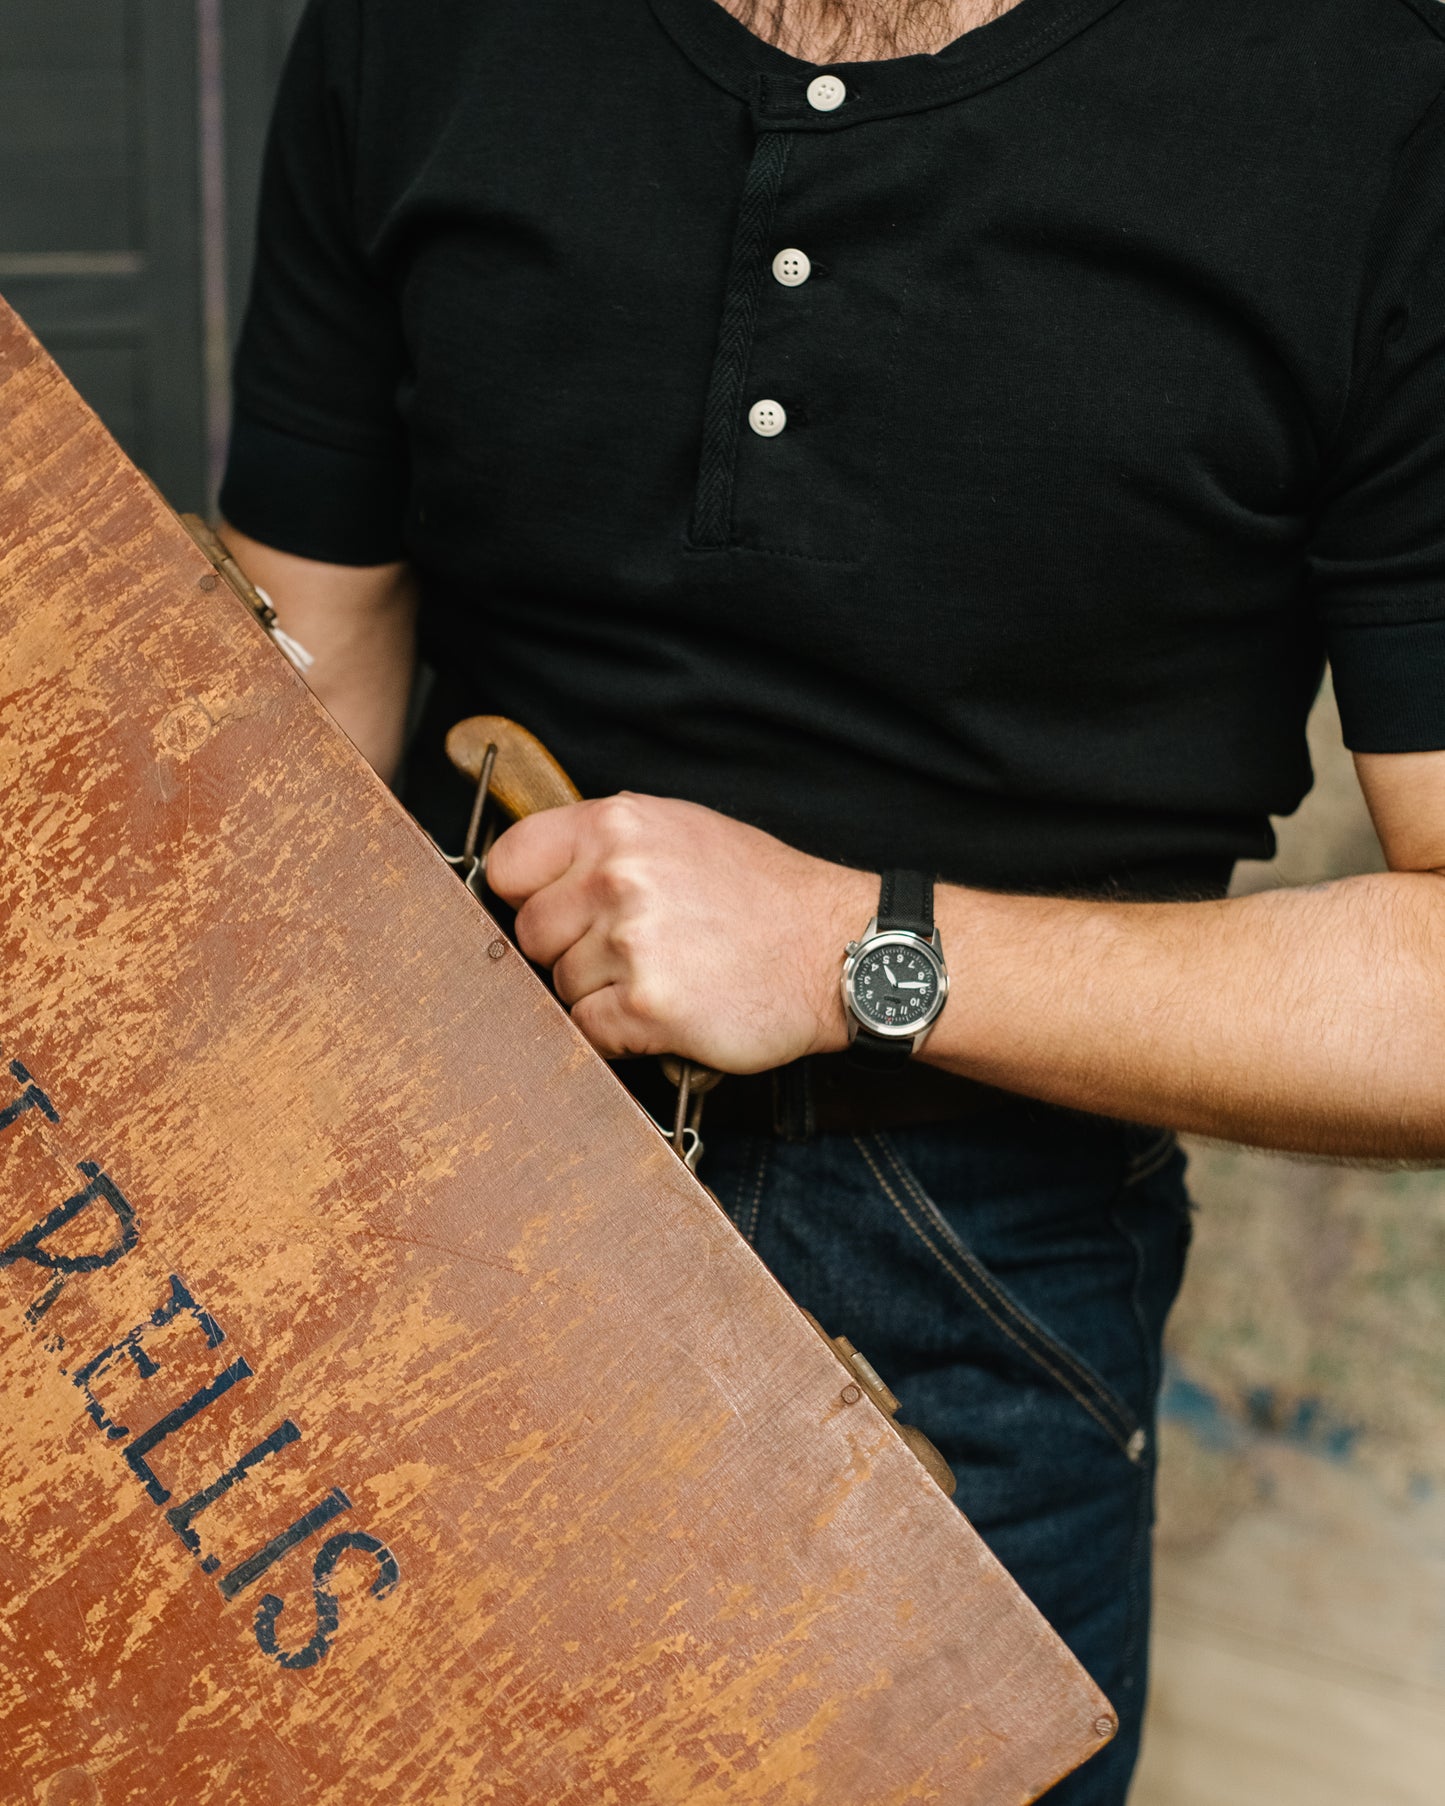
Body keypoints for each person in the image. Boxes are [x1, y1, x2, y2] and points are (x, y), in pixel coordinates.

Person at [217, 0, 1445, 1796]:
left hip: (962, 1264)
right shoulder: (413, 30)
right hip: (406, 1168)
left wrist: (845, 946)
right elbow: (285, 718)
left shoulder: (1366, 96)